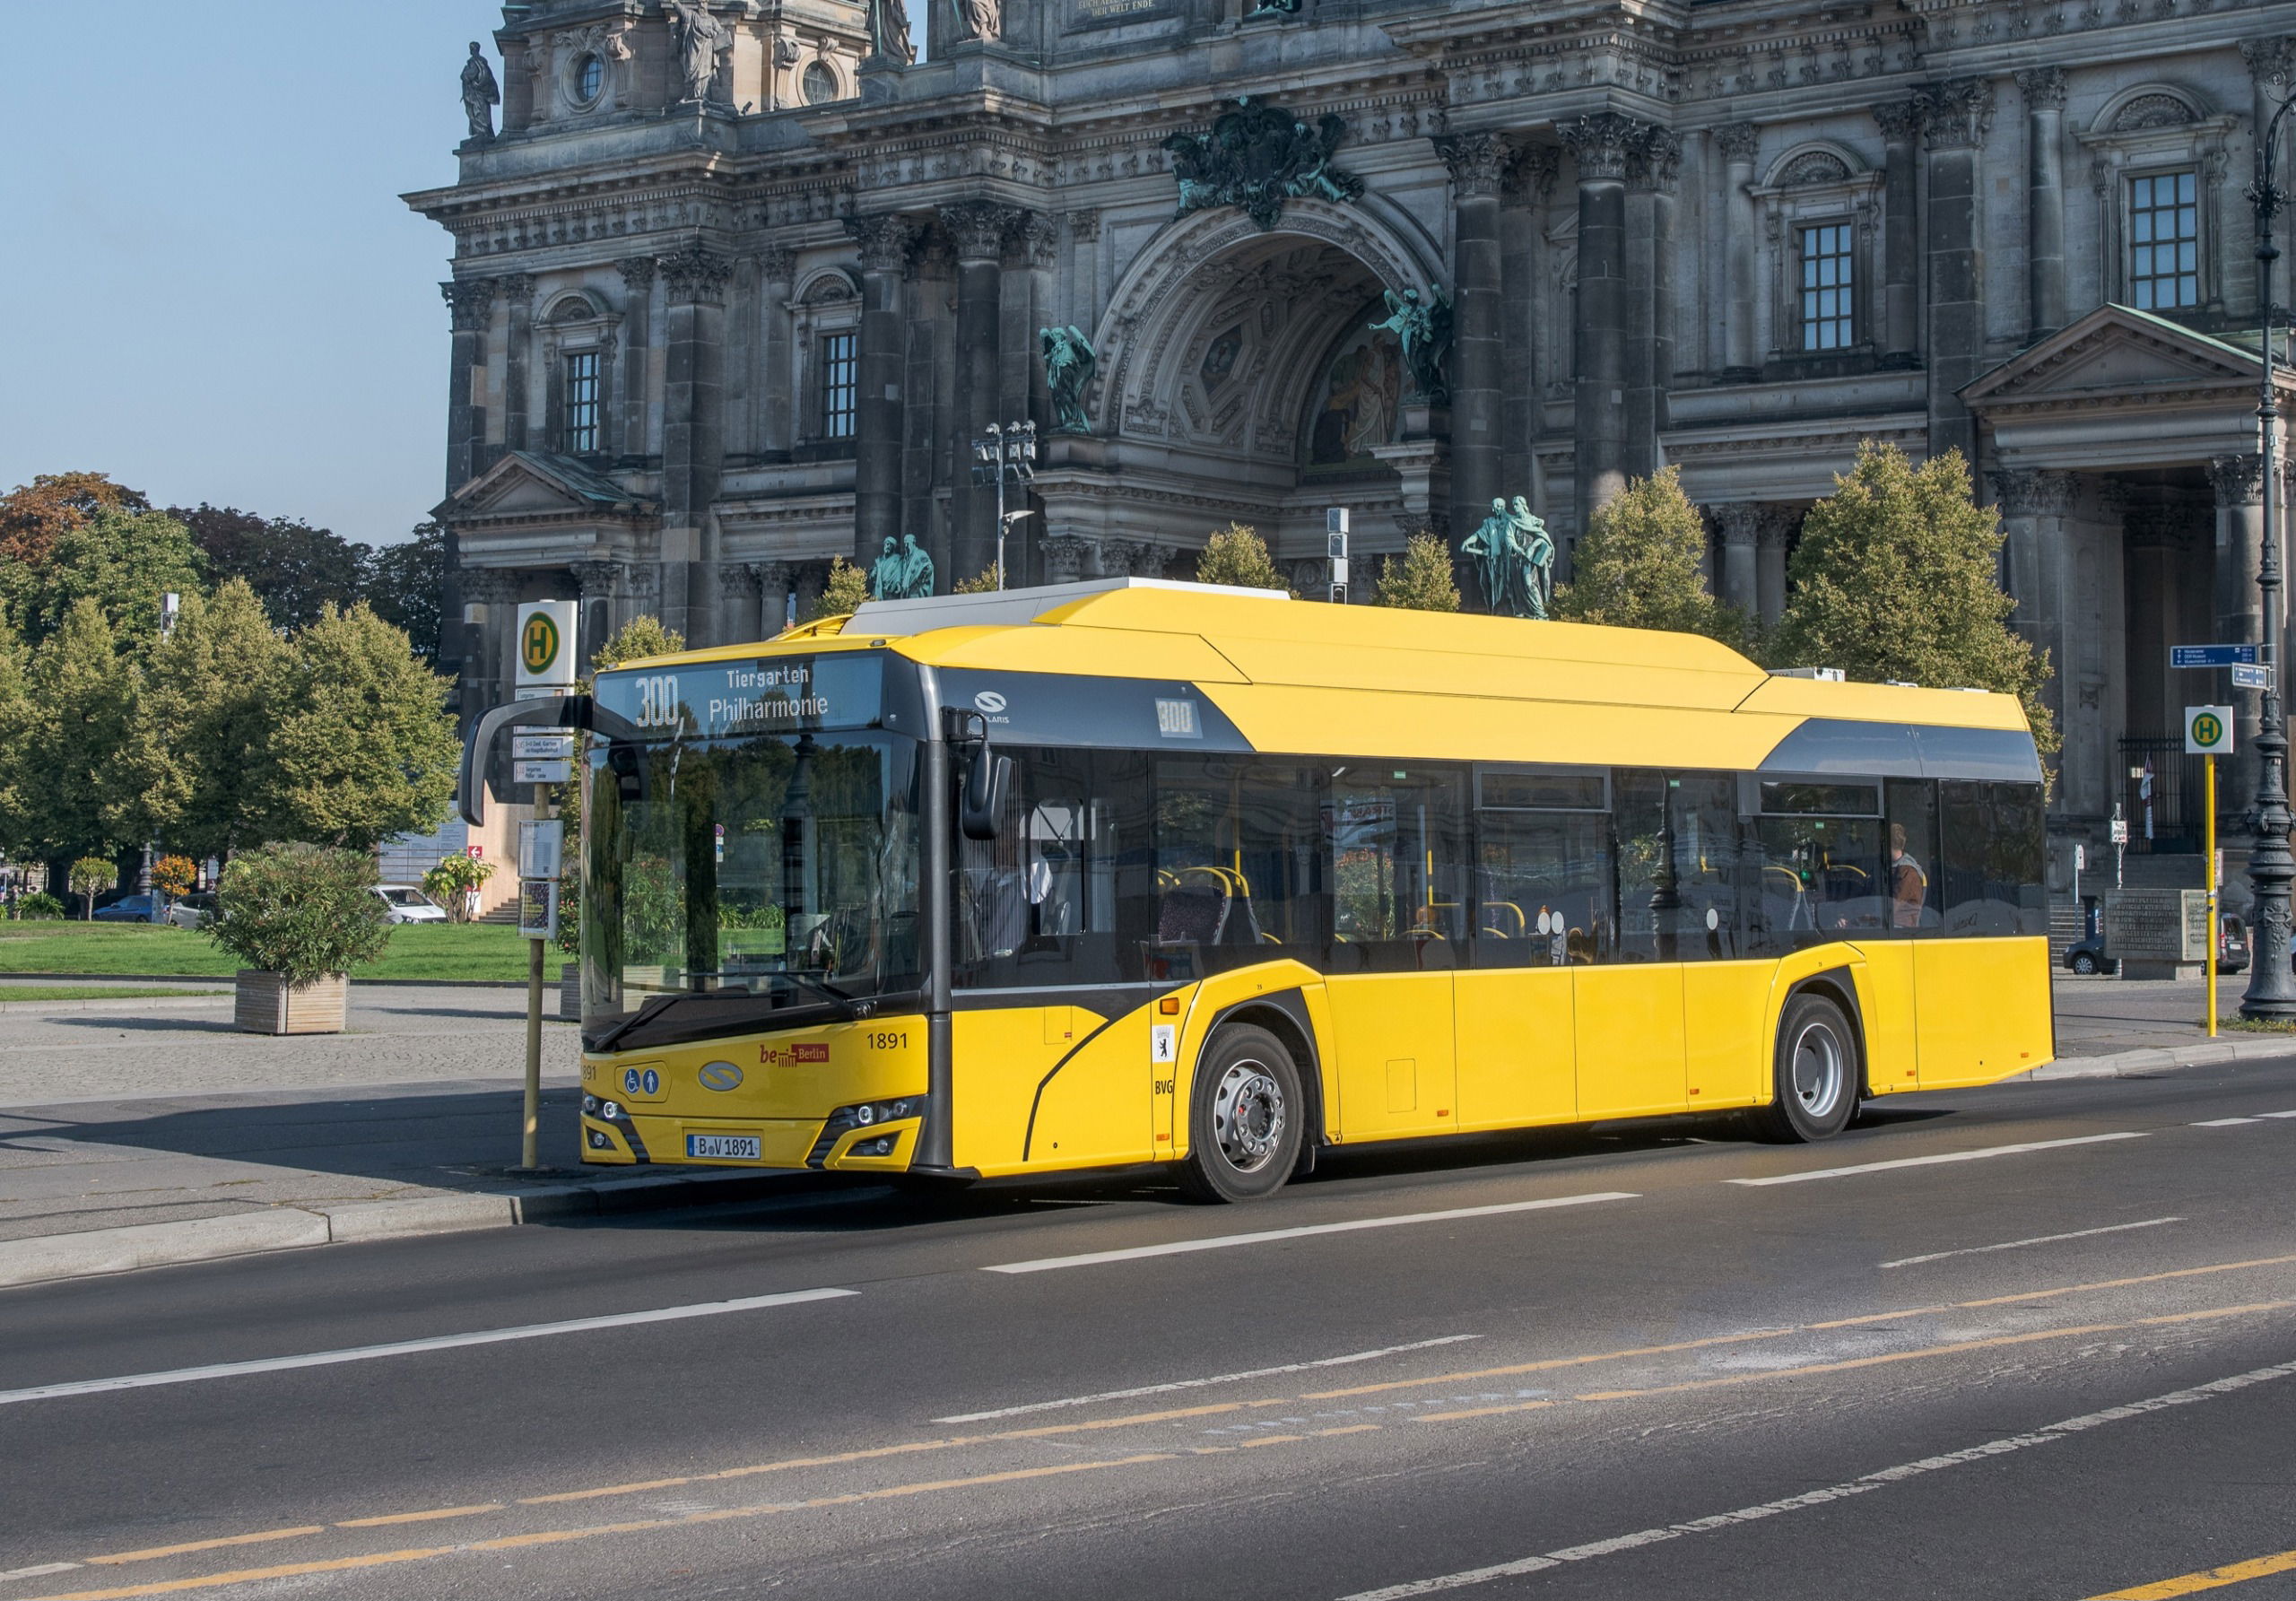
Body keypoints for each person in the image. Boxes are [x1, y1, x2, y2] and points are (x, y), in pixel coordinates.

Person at [1889, 822, 1929, 928]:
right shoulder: (1895, 867)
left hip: (1901, 928)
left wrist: (1866, 917)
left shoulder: (1907, 872)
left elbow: (1892, 906)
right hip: (1892, 923)